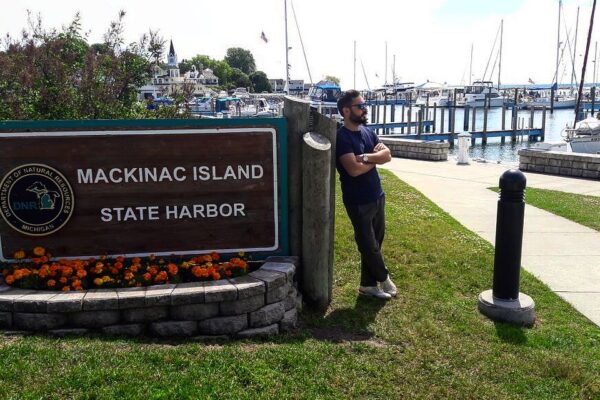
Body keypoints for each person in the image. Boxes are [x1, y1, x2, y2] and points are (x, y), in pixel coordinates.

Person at [335, 89, 397, 300]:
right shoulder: (341, 138)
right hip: (358, 200)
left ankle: (367, 285)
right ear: (346, 110)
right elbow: (352, 169)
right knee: (367, 244)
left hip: (377, 195)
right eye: (360, 106)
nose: (364, 109)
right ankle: (384, 277)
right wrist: (374, 159)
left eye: (364, 105)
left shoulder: (368, 132)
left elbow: (387, 155)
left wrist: (365, 158)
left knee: (376, 242)